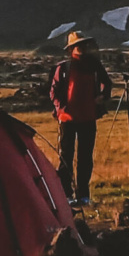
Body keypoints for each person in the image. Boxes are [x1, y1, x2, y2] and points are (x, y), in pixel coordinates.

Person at [49, 30, 111, 207]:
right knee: (65, 158)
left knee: (85, 158)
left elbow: (107, 83)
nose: (82, 48)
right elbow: (53, 91)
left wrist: (102, 96)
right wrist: (61, 109)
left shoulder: (94, 65)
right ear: (71, 49)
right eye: (78, 45)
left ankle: (83, 195)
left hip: (88, 117)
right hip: (67, 119)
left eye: (83, 45)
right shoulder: (64, 68)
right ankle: (66, 194)